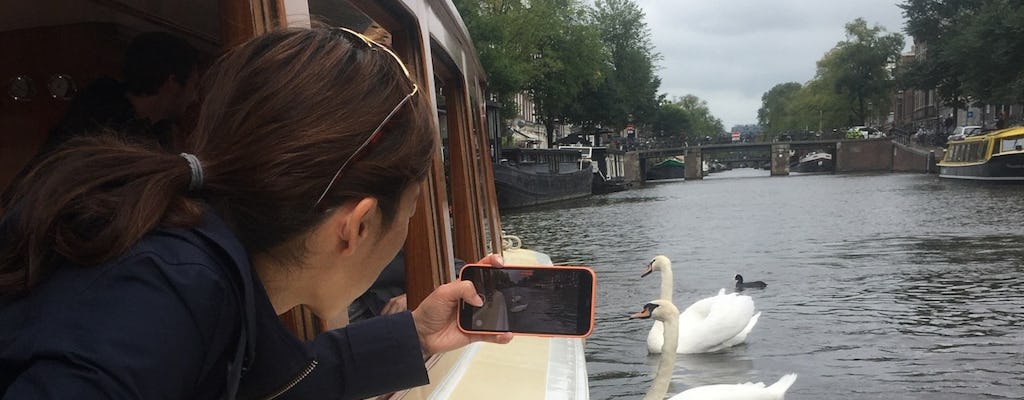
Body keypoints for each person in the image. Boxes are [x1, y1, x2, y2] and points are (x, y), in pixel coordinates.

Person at [0, 26, 511, 399]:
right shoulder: (159, 301)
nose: (409, 230)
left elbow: (268, 382)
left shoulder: (199, 277)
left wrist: (415, 335)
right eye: (414, 210)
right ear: (355, 226)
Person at [42, 31, 201, 153]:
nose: (194, 98)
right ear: (172, 83)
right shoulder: (107, 137)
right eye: (193, 86)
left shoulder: (95, 114)